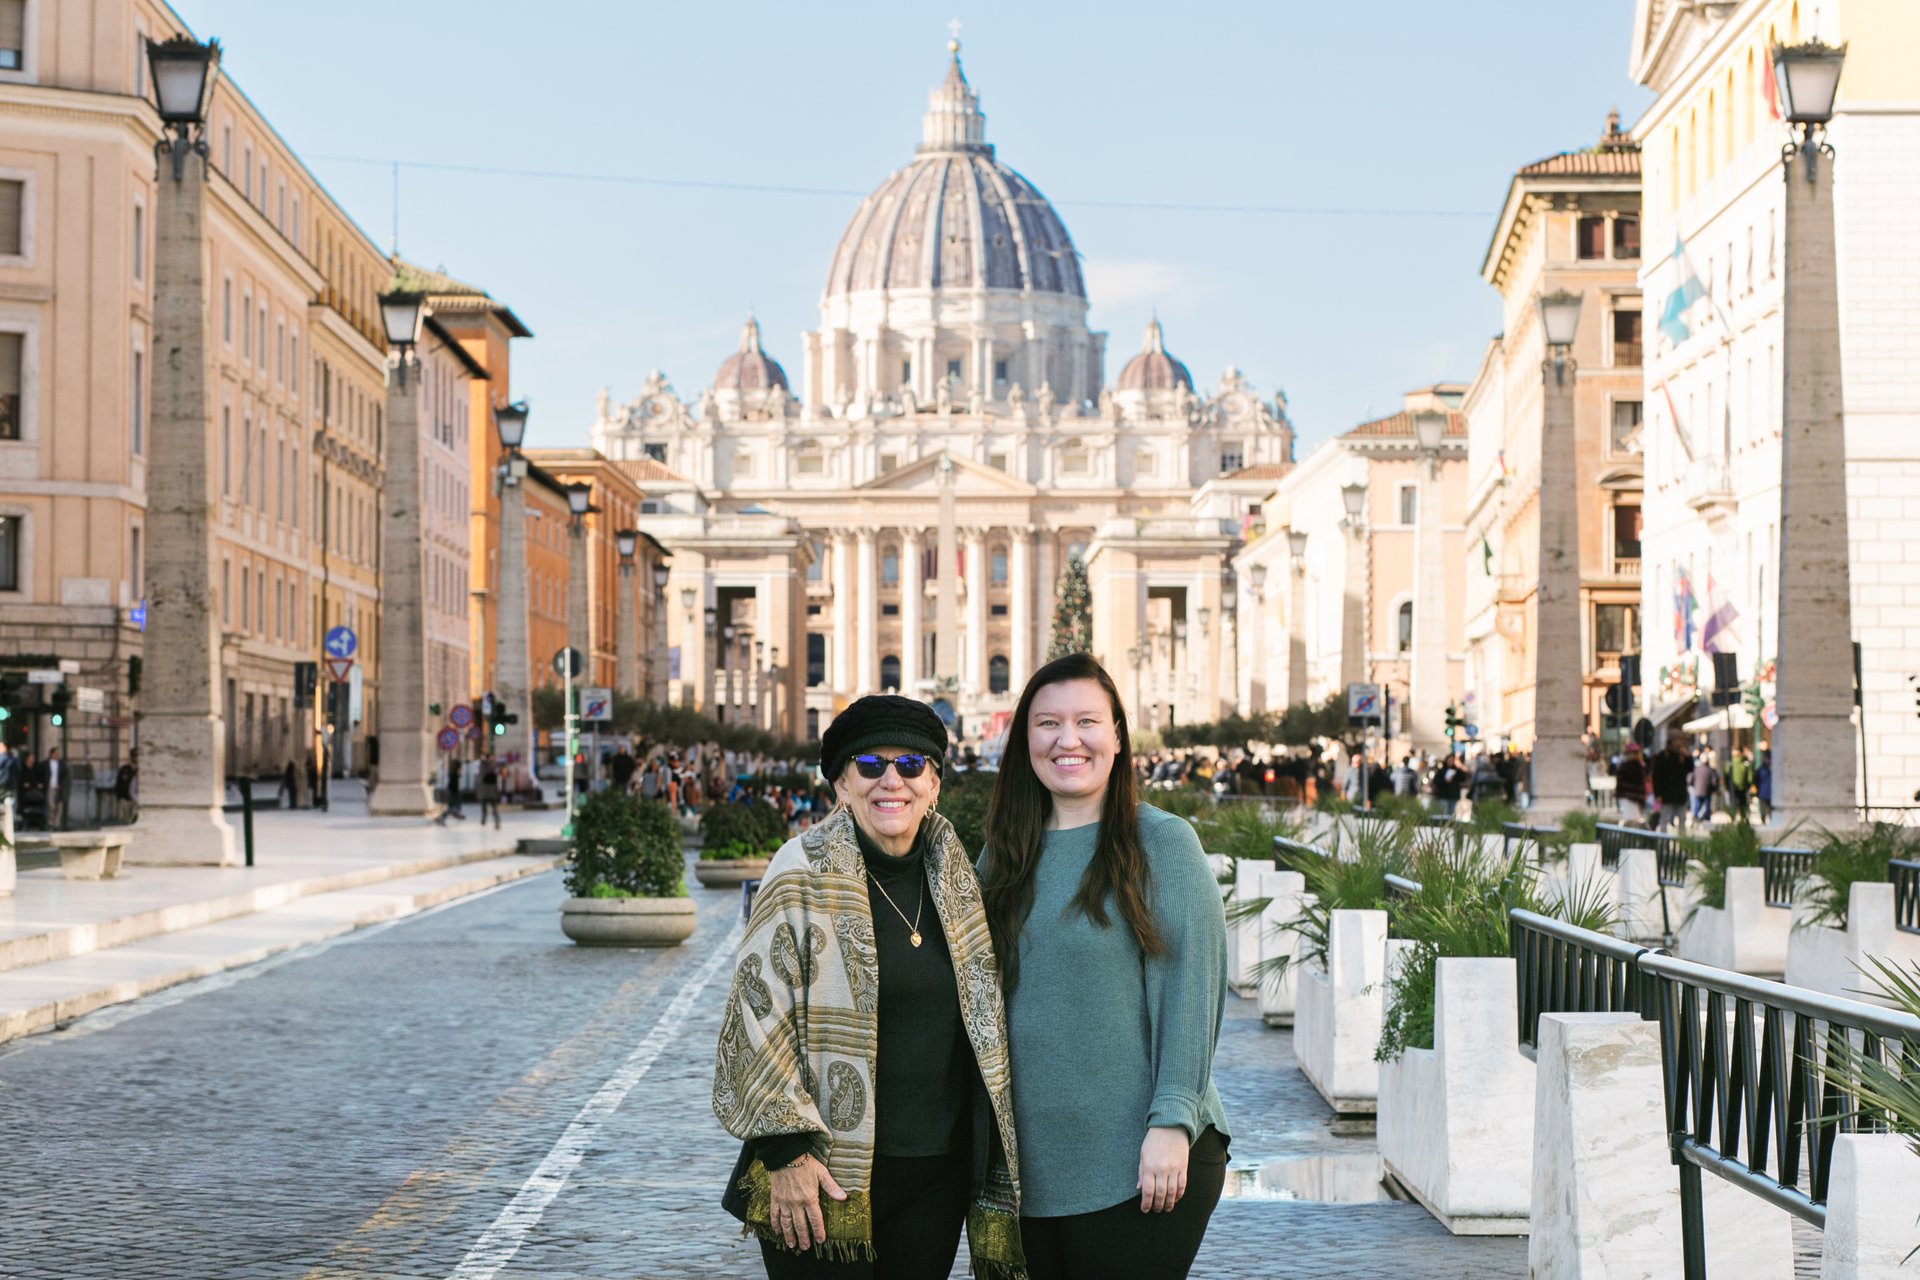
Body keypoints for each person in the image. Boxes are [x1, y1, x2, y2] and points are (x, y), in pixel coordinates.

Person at [713, 694, 1025, 1280]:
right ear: (841, 784)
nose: (891, 781)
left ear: (933, 784)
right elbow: (756, 1014)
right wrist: (786, 1155)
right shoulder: (799, 870)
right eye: (870, 764)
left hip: (935, 1178)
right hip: (821, 1175)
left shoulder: (957, 874)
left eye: (910, 764)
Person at [979, 654, 1230, 1280]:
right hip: (1028, 1176)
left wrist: (1172, 1121)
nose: (1068, 740)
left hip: (1144, 1163)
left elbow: (1192, 992)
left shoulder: (1163, 843)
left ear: (1117, 735)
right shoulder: (1002, 855)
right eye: (1047, 724)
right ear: (1024, 741)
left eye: (1087, 721)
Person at [1651, 735, 1691, 831]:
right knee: (1664, 819)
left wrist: (1687, 757)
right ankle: (1664, 838)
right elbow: (1657, 776)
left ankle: (1682, 839)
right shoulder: (1662, 756)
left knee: (1682, 819)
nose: (1679, 743)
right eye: (1676, 740)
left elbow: (1690, 769)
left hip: (1680, 794)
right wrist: (1658, 793)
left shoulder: (1682, 755)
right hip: (1667, 794)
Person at [1614, 743, 1650, 825]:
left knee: (1632, 819)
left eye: (1636, 753)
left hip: (1634, 797)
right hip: (1628, 797)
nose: (1636, 755)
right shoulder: (1629, 765)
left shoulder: (1637, 765)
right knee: (1631, 819)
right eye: (1634, 753)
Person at [1724, 746, 1754, 822]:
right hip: (1733, 788)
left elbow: (1750, 776)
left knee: (1742, 804)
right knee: (1735, 804)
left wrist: (1748, 785)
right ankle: (1734, 818)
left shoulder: (1745, 763)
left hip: (1742, 788)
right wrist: (1727, 786)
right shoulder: (1730, 763)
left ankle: (1743, 819)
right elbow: (1726, 776)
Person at [476, 758, 502, 829]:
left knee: (485, 808)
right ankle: (496, 820)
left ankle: (484, 820)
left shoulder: (482, 771)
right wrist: (499, 791)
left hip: (485, 793)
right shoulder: (494, 770)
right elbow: (498, 782)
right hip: (492, 793)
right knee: (494, 808)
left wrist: (479, 794)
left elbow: (479, 783)